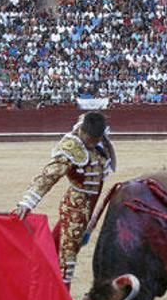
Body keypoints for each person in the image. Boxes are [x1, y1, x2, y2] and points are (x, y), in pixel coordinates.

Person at [15, 112, 116, 289]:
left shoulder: (100, 142)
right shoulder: (71, 146)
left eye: (96, 139)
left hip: (88, 209)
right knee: (67, 259)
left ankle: (37, 285)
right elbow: (49, 176)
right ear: (83, 133)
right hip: (75, 208)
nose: (92, 144)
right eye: (90, 139)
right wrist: (27, 202)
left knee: (55, 250)